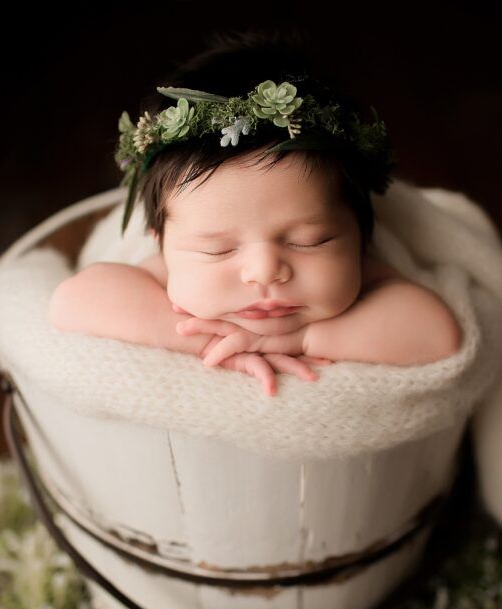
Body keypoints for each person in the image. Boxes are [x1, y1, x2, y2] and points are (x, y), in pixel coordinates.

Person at [48, 29, 462, 396]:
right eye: (218, 250)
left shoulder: (364, 272)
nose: (265, 272)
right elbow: (72, 301)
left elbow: (436, 333)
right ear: (162, 244)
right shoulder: (163, 274)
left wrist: (303, 338)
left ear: (360, 235)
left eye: (309, 241)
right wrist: (209, 342)